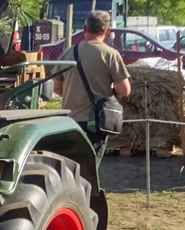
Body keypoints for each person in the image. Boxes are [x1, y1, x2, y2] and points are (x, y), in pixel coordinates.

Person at [54, 9, 131, 158]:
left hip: (69, 122)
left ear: (84, 29)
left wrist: (73, 94)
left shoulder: (69, 52)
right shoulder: (110, 54)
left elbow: (56, 87)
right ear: (107, 31)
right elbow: (124, 90)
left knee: (71, 167)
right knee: (90, 170)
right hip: (94, 123)